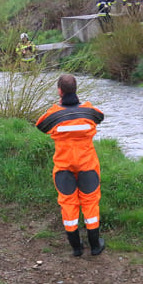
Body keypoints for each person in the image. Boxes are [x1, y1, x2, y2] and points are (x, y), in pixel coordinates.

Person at [36, 74, 106, 257]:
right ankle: (95, 245)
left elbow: (40, 125)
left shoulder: (53, 114)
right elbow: (100, 117)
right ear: (76, 89)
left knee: (68, 204)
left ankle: (76, 247)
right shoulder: (89, 111)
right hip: (87, 164)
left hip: (64, 167)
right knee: (90, 202)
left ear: (59, 91)